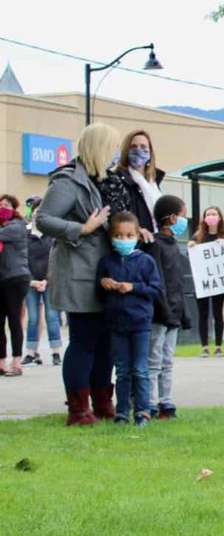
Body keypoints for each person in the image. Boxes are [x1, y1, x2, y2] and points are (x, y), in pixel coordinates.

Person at [35, 123, 119, 425]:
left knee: (105, 342)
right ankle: (78, 409)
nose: (116, 154)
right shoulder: (68, 181)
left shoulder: (104, 182)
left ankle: (101, 401)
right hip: (78, 273)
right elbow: (43, 219)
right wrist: (81, 229)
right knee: (84, 339)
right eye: (112, 147)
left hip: (103, 272)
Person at [97, 211, 162, 425]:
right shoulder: (107, 261)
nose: (123, 240)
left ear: (137, 236)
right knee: (122, 370)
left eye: (128, 235)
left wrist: (133, 287)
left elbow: (156, 290)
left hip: (140, 322)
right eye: (119, 236)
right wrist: (104, 284)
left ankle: (142, 410)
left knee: (140, 369)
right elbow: (98, 294)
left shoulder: (146, 261)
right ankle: (122, 411)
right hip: (116, 322)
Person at [149, 195, 192, 419]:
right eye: (183, 216)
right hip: (160, 313)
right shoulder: (156, 245)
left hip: (174, 311)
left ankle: (165, 400)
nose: (184, 221)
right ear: (173, 217)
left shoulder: (174, 246)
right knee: (154, 360)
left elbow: (177, 282)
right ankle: (148, 402)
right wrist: (164, 308)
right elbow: (159, 281)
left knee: (167, 360)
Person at [100, 129, 164, 244]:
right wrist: (137, 230)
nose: (139, 150)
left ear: (150, 152)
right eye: (134, 146)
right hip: (133, 243)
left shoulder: (153, 182)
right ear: (126, 151)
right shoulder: (117, 179)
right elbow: (115, 215)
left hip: (155, 242)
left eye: (143, 146)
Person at [22, 196, 62, 366]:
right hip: (30, 283)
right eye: (35, 212)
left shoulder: (52, 236)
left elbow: (55, 260)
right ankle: (31, 353)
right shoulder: (24, 234)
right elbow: (21, 259)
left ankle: (56, 352)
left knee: (52, 317)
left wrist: (46, 280)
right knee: (32, 317)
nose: (38, 215)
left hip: (49, 282)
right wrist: (31, 281)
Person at [190, 206, 224, 357]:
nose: (211, 217)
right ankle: (205, 347)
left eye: (214, 214)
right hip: (203, 282)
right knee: (203, 314)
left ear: (219, 217)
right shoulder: (197, 237)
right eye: (208, 214)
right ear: (204, 218)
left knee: (218, 313)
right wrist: (192, 246)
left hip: (218, 282)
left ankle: (219, 346)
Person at [0, 195, 31, 377]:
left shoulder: (16, 227)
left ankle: (17, 362)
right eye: (0, 205)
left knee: (14, 320)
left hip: (16, 278)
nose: (2, 207)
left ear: (13, 209)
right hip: (2, 279)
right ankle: (2, 362)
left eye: (6, 205)